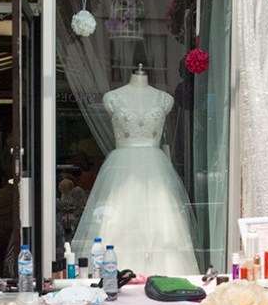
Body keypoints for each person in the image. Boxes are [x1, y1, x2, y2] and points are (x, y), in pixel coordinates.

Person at [71, 67, 199, 275]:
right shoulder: (112, 98)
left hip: (155, 169)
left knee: (162, 224)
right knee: (118, 224)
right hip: (122, 168)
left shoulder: (164, 99)